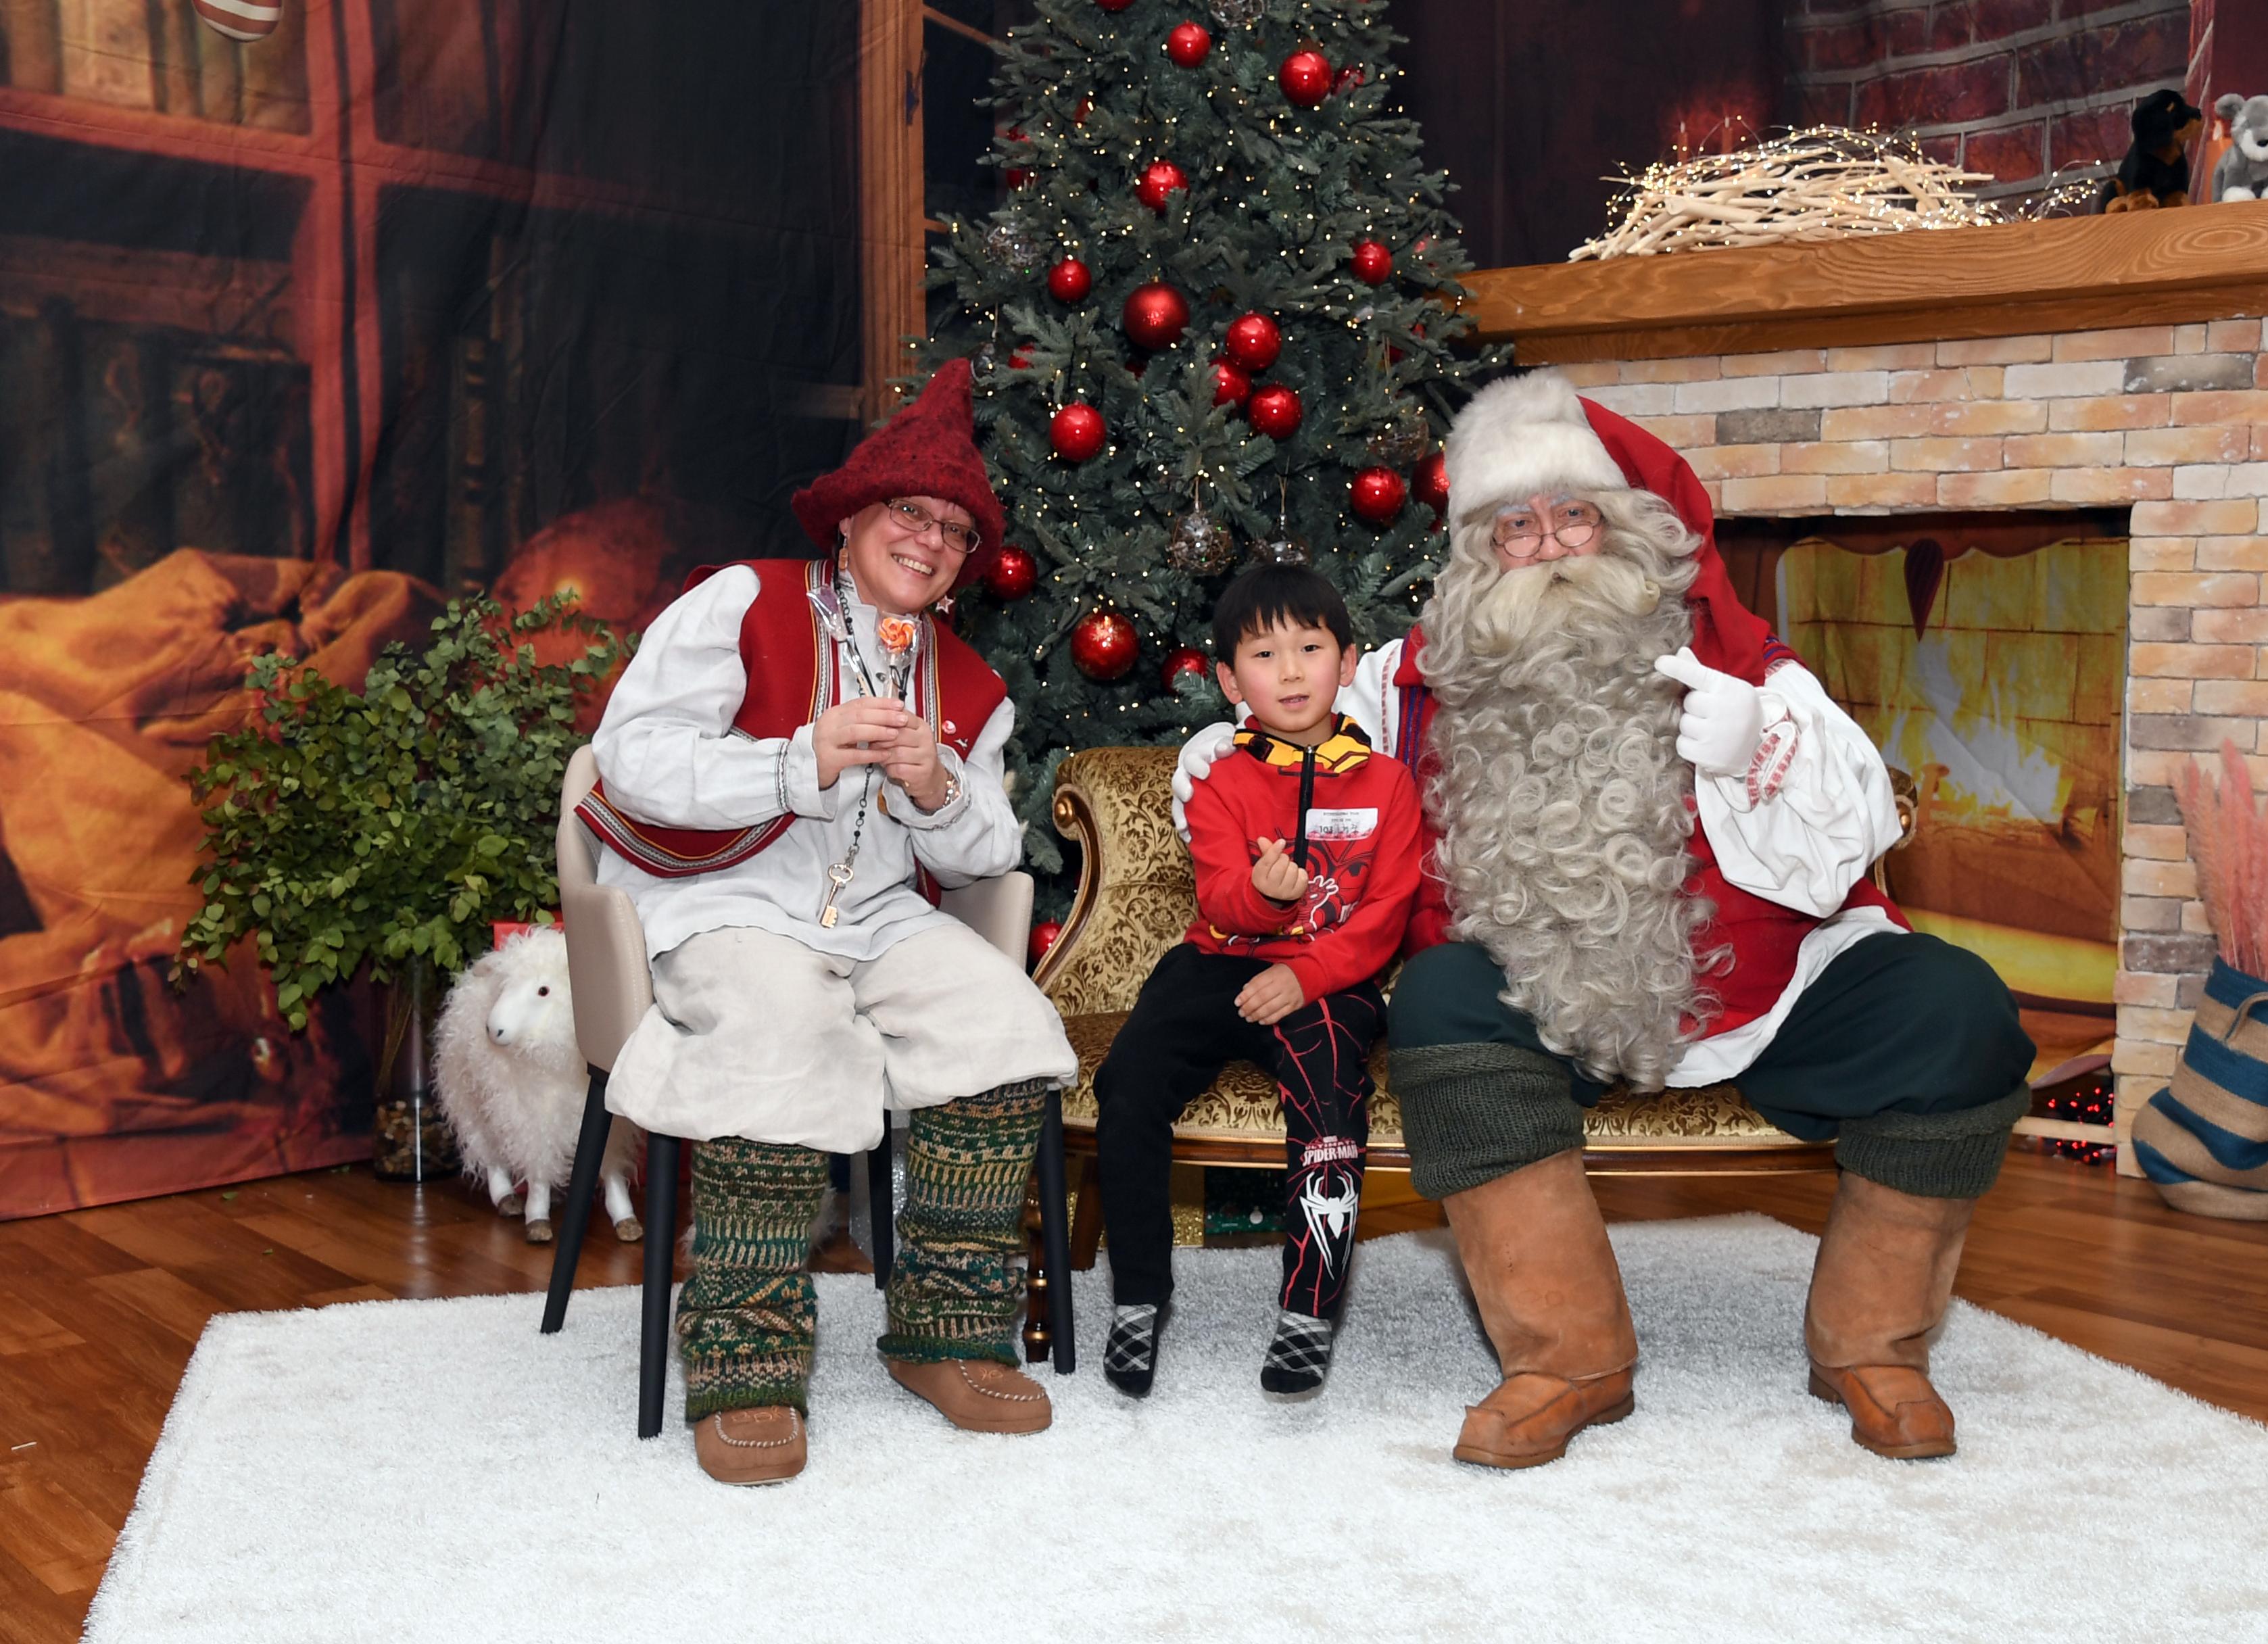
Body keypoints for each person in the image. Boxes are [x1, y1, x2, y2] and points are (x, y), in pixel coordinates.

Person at [1174, 370, 2036, 1468]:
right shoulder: (1404, 683)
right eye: (1515, 526)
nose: (1548, 546)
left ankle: (1872, 1345)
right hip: (1546, 994)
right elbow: (1274, 724)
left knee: (1953, 1007)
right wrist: (1225, 765)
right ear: (1481, 551)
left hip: (1757, 989)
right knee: (1444, 994)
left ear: (1627, 529)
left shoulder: (1740, 669)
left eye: (1573, 515)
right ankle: (1565, 1355)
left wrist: (1753, 750)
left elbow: (1856, 824)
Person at [583, 360, 1077, 1485]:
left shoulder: (964, 681)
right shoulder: (743, 600)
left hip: (875, 922)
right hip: (728, 904)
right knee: (777, 1027)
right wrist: (791, 760)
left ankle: (945, 1335)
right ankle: (744, 1359)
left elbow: (989, 852)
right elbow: (631, 756)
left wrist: (937, 786)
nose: (931, 539)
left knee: (1003, 1024)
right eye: (911, 511)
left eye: (954, 529)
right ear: (854, 516)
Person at [1093, 562, 1424, 1397]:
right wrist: (1267, 899)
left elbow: (1384, 915)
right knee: (1128, 1080)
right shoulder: (1220, 779)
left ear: (1347, 663)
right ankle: (1136, 1297)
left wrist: (1304, 971)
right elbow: (1217, 896)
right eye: (1265, 654)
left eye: (1310, 648)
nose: (1290, 671)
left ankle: (1308, 1312)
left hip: (1330, 978)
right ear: (1232, 679)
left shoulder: (1390, 784)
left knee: (1331, 1100)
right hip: (1217, 961)